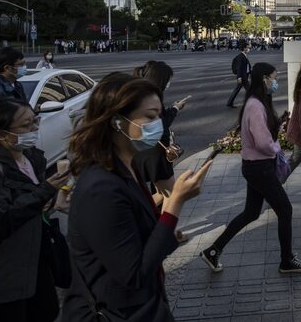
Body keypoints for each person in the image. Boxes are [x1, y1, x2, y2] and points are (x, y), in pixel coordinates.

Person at [62, 78, 211, 322]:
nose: (158, 125)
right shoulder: (101, 188)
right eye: (150, 117)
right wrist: (174, 202)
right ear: (117, 122)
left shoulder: (126, 166)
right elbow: (134, 275)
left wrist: (167, 235)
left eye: (159, 117)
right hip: (118, 312)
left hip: (143, 307)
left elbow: (135, 236)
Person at [0, 98, 70, 322]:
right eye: (26, 125)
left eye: (35, 121)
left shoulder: (30, 157)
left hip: (32, 266)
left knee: (47, 313)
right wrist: (45, 190)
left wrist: (51, 204)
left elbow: (30, 208)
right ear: (0, 135)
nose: (34, 129)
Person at [200, 63, 301, 275]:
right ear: (264, 80)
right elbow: (262, 142)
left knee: (251, 213)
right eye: (274, 78)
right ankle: (286, 261)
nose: (275, 82)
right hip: (260, 168)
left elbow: (262, 133)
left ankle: (213, 251)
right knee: (285, 210)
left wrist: (278, 123)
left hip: (255, 167)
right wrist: (277, 148)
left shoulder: (257, 103)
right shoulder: (255, 106)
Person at [131, 61, 191, 242]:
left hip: (144, 152)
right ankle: (164, 234)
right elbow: (161, 125)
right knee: (172, 195)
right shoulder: (151, 98)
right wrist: (175, 109)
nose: (168, 83)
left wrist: (173, 108)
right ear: (161, 79)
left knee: (164, 193)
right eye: (168, 79)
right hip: (155, 153)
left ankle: (165, 231)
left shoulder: (139, 94)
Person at [226, 39, 251, 108]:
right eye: (248, 47)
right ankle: (252, 103)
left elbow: (247, 66)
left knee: (237, 90)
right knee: (249, 91)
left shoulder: (244, 55)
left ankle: (229, 102)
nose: (249, 49)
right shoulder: (241, 56)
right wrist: (239, 77)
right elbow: (239, 67)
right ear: (244, 48)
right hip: (243, 77)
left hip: (244, 76)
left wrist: (251, 72)